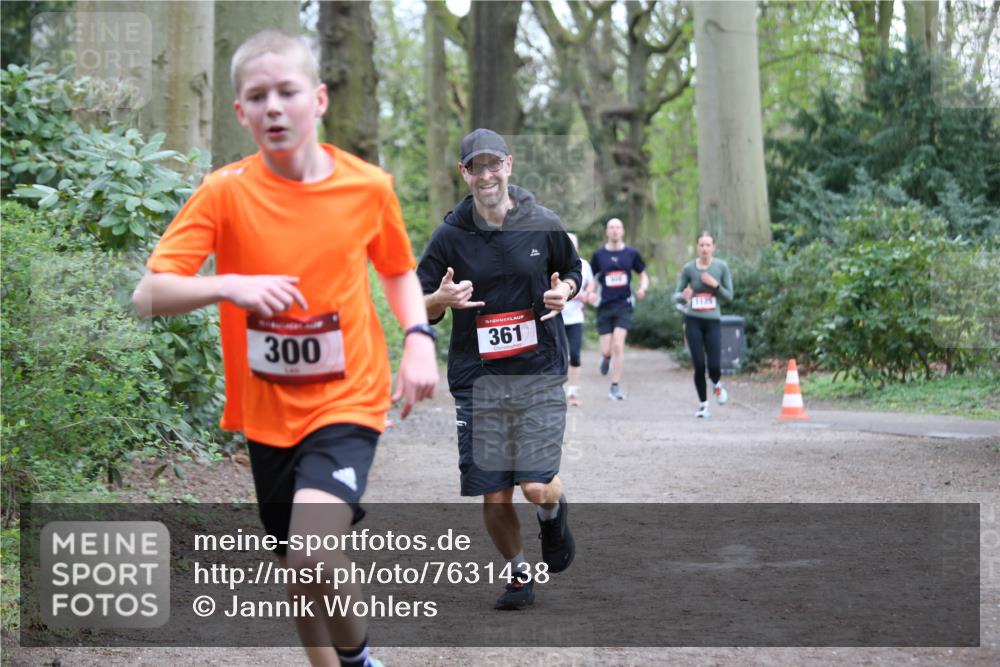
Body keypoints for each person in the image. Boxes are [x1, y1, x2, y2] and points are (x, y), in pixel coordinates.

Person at [132, 31, 438, 667]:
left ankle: (359, 660)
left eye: (287, 92)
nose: (273, 107)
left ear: (319, 99)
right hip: (267, 415)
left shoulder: (367, 186)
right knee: (299, 570)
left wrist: (418, 340)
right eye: (257, 96)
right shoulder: (225, 192)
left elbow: (397, 270)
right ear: (240, 113)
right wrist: (228, 285)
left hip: (348, 398)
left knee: (311, 551)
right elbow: (149, 295)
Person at [417, 128, 581, 611]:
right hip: (478, 380)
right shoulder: (448, 237)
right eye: (475, 166)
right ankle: (518, 574)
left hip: (539, 372)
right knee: (494, 496)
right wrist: (438, 300)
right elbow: (418, 305)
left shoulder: (542, 222)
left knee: (534, 486)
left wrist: (564, 293)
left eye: (494, 164)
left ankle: (552, 515)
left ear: (509, 165)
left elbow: (574, 271)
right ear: (463, 173)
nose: (486, 174)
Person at [587, 217, 649, 400]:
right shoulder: (599, 255)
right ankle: (605, 358)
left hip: (624, 305)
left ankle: (615, 385)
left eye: (618, 227)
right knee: (606, 350)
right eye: (611, 227)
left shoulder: (631, 254)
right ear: (607, 232)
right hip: (605, 307)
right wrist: (590, 292)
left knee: (617, 345)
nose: (614, 230)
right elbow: (592, 279)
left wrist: (642, 288)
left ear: (622, 231)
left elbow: (643, 275)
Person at [673, 230, 734, 418]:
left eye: (708, 245)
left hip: (713, 320)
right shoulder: (689, 268)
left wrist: (715, 285)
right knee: (699, 364)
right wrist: (684, 295)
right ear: (697, 247)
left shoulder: (721, 267)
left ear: (713, 247)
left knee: (714, 364)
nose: (705, 248)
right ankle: (703, 405)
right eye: (701, 245)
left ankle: (716, 383)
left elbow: (729, 296)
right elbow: (676, 295)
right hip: (693, 320)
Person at [562, 233, 595, 407]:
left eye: (573, 245)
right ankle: (555, 393)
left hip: (575, 318)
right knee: (557, 357)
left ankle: (572, 393)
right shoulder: (555, 263)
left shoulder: (584, 265)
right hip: (556, 317)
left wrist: (588, 293)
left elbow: (591, 283)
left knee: (574, 354)